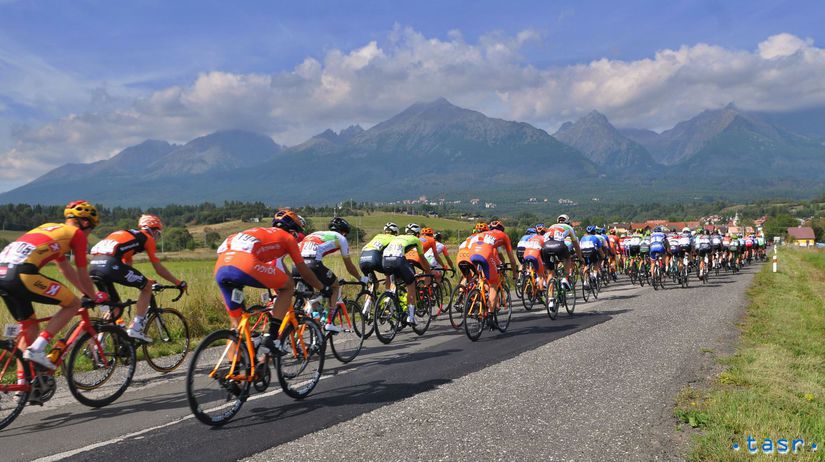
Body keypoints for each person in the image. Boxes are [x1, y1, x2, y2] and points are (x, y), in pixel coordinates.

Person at [0, 200, 109, 370]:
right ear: (85, 222)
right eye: (91, 229)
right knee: (73, 304)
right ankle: (38, 348)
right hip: (21, 273)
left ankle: (23, 386)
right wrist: (95, 297)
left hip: (2, 273)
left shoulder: (51, 228)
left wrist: (86, 292)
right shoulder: (77, 234)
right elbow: (82, 272)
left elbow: (65, 269)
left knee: (30, 326)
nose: (89, 233)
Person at [214, 210, 329, 341]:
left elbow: (222, 251)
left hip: (222, 266)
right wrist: (322, 288)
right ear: (292, 231)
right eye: (297, 233)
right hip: (245, 263)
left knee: (237, 327)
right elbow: (304, 272)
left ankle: (237, 360)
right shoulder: (288, 238)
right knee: (288, 287)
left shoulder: (259, 231)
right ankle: (272, 336)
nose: (297, 236)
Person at [89, 214, 187, 342]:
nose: (157, 238)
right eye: (158, 234)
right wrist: (179, 283)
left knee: (116, 307)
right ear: (153, 230)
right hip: (109, 265)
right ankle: (136, 328)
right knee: (147, 288)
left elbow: (127, 268)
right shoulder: (147, 238)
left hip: (93, 266)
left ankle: (100, 344)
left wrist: (143, 280)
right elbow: (159, 269)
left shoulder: (127, 236)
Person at [297, 217, 369, 330]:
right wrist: (360, 278)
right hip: (313, 264)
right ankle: (329, 322)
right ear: (344, 232)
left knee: (313, 294)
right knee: (335, 286)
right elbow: (349, 266)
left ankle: (315, 325)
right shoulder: (340, 238)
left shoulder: (314, 234)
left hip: (297, 266)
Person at [382, 225, 432, 325]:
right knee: (411, 284)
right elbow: (422, 259)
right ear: (417, 234)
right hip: (398, 259)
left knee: (394, 280)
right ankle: (411, 317)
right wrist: (428, 270)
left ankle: (389, 300)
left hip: (385, 259)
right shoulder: (416, 240)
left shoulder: (399, 237)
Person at [464, 220, 517, 310]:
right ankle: (490, 314)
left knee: (482, 278)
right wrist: (515, 273)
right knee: (493, 284)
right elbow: (511, 258)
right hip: (485, 253)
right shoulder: (504, 236)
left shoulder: (483, 234)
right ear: (502, 229)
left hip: (472, 253)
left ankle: (477, 296)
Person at [542, 214, 583, 290]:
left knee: (551, 272)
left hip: (546, 247)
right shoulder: (569, 228)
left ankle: (551, 299)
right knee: (568, 259)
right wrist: (580, 257)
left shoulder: (551, 226)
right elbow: (576, 245)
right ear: (567, 221)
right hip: (559, 246)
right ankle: (565, 278)